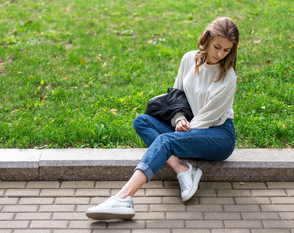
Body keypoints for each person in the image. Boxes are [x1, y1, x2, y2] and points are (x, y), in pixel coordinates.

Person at [86, 16, 239, 220]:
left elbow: (210, 117)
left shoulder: (227, 77)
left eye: (227, 50)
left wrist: (184, 129)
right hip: (189, 125)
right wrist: (179, 119)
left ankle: (123, 198)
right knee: (141, 121)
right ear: (208, 39)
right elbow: (176, 95)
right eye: (217, 47)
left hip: (219, 135)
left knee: (164, 140)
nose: (220, 54)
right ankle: (182, 168)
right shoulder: (189, 59)